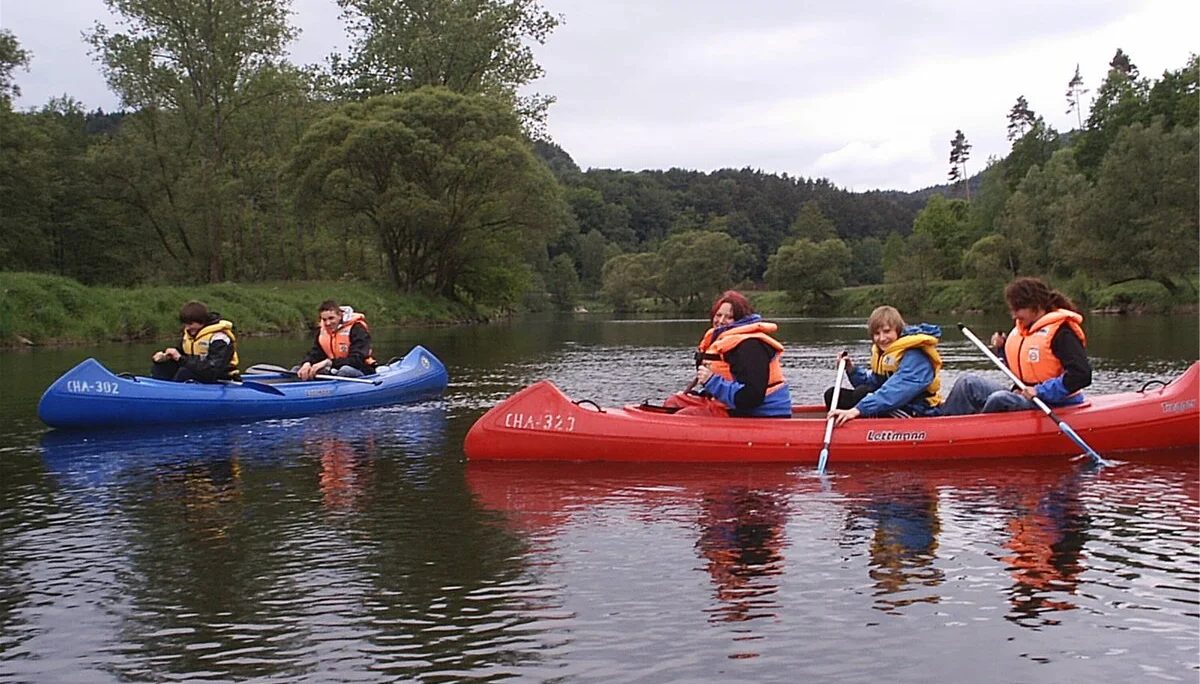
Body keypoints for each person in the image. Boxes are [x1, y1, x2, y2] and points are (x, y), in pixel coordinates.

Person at [943, 277, 1091, 415]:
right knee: (967, 383)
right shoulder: (1024, 329)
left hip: (1054, 403)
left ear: (1036, 306)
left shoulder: (1062, 332)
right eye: (1012, 310)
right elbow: (1024, 368)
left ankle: (975, 433)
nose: (1014, 316)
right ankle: (944, 427)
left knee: (999, 399)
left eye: (1017, 309)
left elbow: (1081, 375)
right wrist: (1001, 349)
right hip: (1025, 395)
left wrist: (1040, 391)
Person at [668, 290, 792, 418]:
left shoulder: (750, 345)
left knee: (685, 416)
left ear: (741, 319)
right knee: (673, 402)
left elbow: (751, 398)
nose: (721, 321)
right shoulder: (720, 340)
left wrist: (712, 381)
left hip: (760, 412)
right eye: (718, 315)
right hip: (730, 404)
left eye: (729, 317)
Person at [825, 305, 944, 426]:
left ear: (898, 330)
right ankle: (845, 428)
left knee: (862, 394)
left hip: (917, 410)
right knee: (833, 394)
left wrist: (857, 410)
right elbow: (874, 384)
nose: (882, 338)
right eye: (877, 333)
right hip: (892, 403)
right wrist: (851, 370)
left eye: (887, 331)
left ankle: (865, 432)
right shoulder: (885, 354)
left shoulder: (916, 355)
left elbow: (897, 390)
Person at [151, 300, 239, 383]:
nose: (187, 327)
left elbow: (213, 369)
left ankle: (170, 394)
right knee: (163, 365)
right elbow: (180, 352)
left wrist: (181, 359)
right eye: (185, 323)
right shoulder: (189, 335)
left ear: (202, 321)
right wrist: (165, 356)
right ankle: (156, 389)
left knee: (184, 372)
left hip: (220, 379)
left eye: (190, 324)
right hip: (197, 374)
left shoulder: (219, 338)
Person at [296, 300, 377, 380]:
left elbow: (357, 360)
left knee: (345, 371)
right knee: (297, 369)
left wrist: (329, 363)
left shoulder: (357, 329)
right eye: (324, 319)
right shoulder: (323, 331)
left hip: (360, 369)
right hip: (332, 370)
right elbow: (315, 353)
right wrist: (307, 363)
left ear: (340, 315)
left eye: (331, 318)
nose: (328, 323)